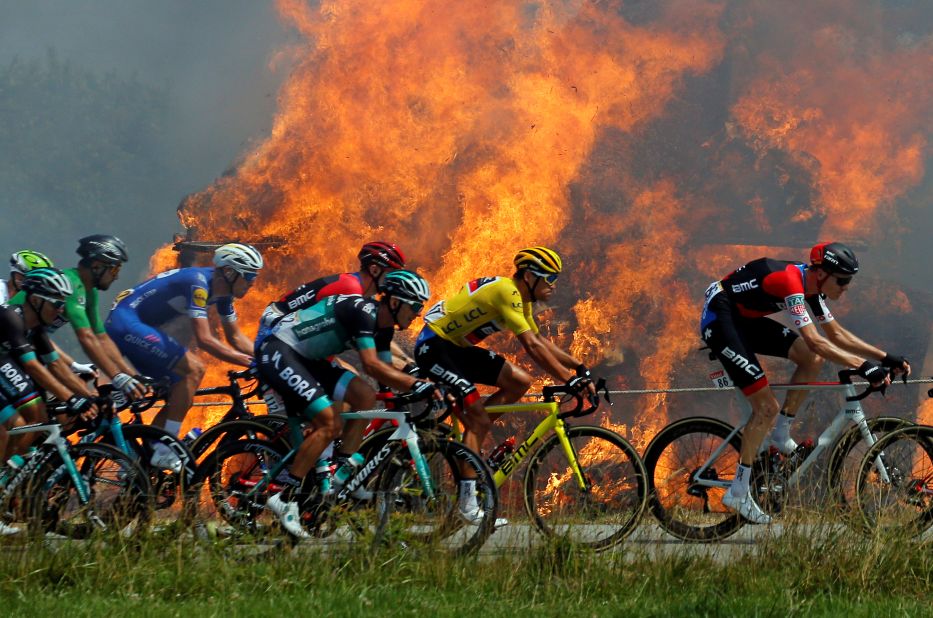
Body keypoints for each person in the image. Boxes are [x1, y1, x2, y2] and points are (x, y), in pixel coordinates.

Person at [700, 241, 911, 524]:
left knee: (811, 359)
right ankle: (738, 492)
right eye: (843, 280)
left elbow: (836, 335)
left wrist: (885, 357)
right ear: (822, 273)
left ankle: (780, 435)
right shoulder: (792, 282)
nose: (846, 287)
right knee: (765, 408)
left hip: (743, 318)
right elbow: (816, 339)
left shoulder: (813, 288)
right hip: (721, 316)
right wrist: (864, 367)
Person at [413, 246, 594, 521]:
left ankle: (475, 428)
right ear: (530, 277)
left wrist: (579, 368)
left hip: (456, 350)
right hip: (434, 347)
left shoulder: (523, 301)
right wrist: (570, 381)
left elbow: (542, 341)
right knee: (478, 423)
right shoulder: (507, 292)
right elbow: (531, 346)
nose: (553, 286)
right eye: (550, 278)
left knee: (520, 381)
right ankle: (467, 504)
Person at [259, 270, 438, 538]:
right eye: (415, 306)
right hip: (281, 351)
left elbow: (387, 373)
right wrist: (416, 386)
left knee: (365, 396)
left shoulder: (384, 327)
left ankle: (342, 475)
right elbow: (371, 365)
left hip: (310, 359)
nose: (417, 313)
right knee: (329, 423)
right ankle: (283, 497)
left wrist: (412, 389)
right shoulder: (364, 312)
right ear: (394, 302)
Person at [106, 243, 262, 469]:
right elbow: (205, 340)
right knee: (194, 369)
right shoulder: (198, 283)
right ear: (229, 272)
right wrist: (250, 362)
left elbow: (235, 337)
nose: (253, 282)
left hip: (139, 325)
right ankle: (166, 448)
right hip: (126, 322)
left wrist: (266, 358)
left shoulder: (223, 294)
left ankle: (145, 457)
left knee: (179, 392)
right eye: (248, 275)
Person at [52, 236, 146, 402]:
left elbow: (101, 338)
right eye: (115, 270)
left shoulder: (90, 291)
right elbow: (86, 337)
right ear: (96, 266)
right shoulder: (72, 283)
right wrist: (116, 376)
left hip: (29, 344)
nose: (116, 277)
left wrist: (131, 375)